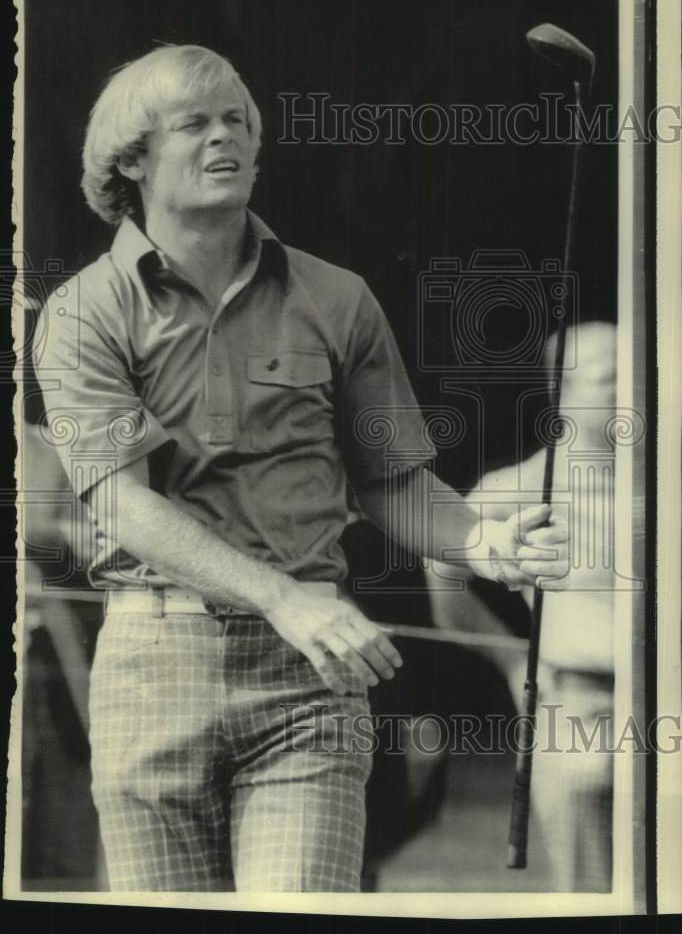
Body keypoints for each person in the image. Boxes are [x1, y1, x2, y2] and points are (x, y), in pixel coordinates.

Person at [32, 44, 569, 892]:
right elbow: (121, 507)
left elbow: (390, 481)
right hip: (151, 666)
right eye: (196, 123)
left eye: (239, 121)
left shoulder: (338, 298)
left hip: (311, 681)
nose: (228, 138)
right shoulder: (82, 312)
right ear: (131, 160)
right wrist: (284, 598)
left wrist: (486, 543)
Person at [426, 322, 617, 891]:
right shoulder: (517, 488)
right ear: (562, 392)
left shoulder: (665, 481)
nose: (630, 392)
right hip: (577, 708)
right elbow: (444, 565)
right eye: (610, 380)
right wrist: (512, 663)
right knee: (590, 892)